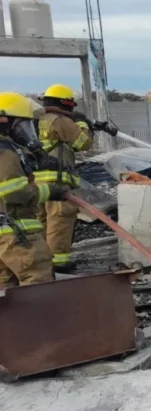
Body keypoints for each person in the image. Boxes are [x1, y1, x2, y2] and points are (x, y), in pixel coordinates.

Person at [0, 92, 69, 287]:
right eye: (23, 125)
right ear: (4, 122)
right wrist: (50, 191)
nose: (27, 131)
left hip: (5, 234)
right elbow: (14, 192)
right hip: (15, 232)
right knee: (38, 281)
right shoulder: (5, 151)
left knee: (6, 288)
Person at [34, 84, 94, 273]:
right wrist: (83, 124)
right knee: (60, 221)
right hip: (56, 181)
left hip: (34, 182)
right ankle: (59, 263)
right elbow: (83, 143)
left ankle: (40, 261)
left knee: (40, 222)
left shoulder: (34, 120)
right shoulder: (59, 120)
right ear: (66, 103)